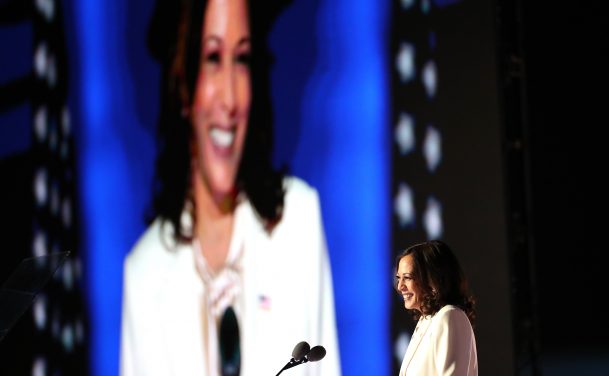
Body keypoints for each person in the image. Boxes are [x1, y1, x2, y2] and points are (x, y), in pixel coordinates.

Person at [119, 0, 341, 375]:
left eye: (241, 60)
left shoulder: (298, 220)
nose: (231, 98)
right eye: (211, 57)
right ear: (182, 83)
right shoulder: (144, 272)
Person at [394, 240, 478, 376]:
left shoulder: (450, 316)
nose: (400, 286)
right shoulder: (425, 321)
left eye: (407, 278)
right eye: (399, 278)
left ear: (431, 279)